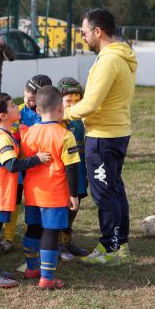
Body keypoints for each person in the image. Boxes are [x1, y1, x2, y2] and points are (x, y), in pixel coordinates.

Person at [65, 8, 137, 265]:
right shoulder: (122, 55)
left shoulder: (109, 60)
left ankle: (110, 248)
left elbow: (92, 103)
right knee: (115, 190)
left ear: (98, 31)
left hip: (103, 137)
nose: (82, 37)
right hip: (116, 132)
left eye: (84, 32)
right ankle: (120, 244)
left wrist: (66, 113)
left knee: (105, 193)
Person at [0, 93, 50, 288]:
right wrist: (37, 159)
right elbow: (11, 165)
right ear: (3, 115)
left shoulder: (6, 134)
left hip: (0, 194)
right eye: (12, 106)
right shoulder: (1, 138)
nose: (16, 108)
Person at [21, 86, 80, 290]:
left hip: (32, 193)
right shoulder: (65, 135)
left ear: (37, 110)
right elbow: (72, 168)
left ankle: (31, 268)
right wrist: (74, 194)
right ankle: (47, 278)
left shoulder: (27, 133)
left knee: (33, 229)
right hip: (54, 194)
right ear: (60, 110)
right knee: (50, 234)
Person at [0, 74, 52, 253]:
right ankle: (8, 237)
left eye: (33, 99)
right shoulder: (17, 111)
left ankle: (54, 239)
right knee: (13, 203)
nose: (29, 101)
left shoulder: (45, 114)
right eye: (27, 95)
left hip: (40, 168)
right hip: (19, 166)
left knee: (42, 204)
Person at [57, 77, 91, 261]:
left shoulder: (79, 120)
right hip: (63, 175)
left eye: (77, 101)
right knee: (62, 210)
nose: (73, 105)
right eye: (68, 101)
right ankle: (59, 245)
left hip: (78, 172)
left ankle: (68, 242)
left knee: (73, 209)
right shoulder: (57, 121)